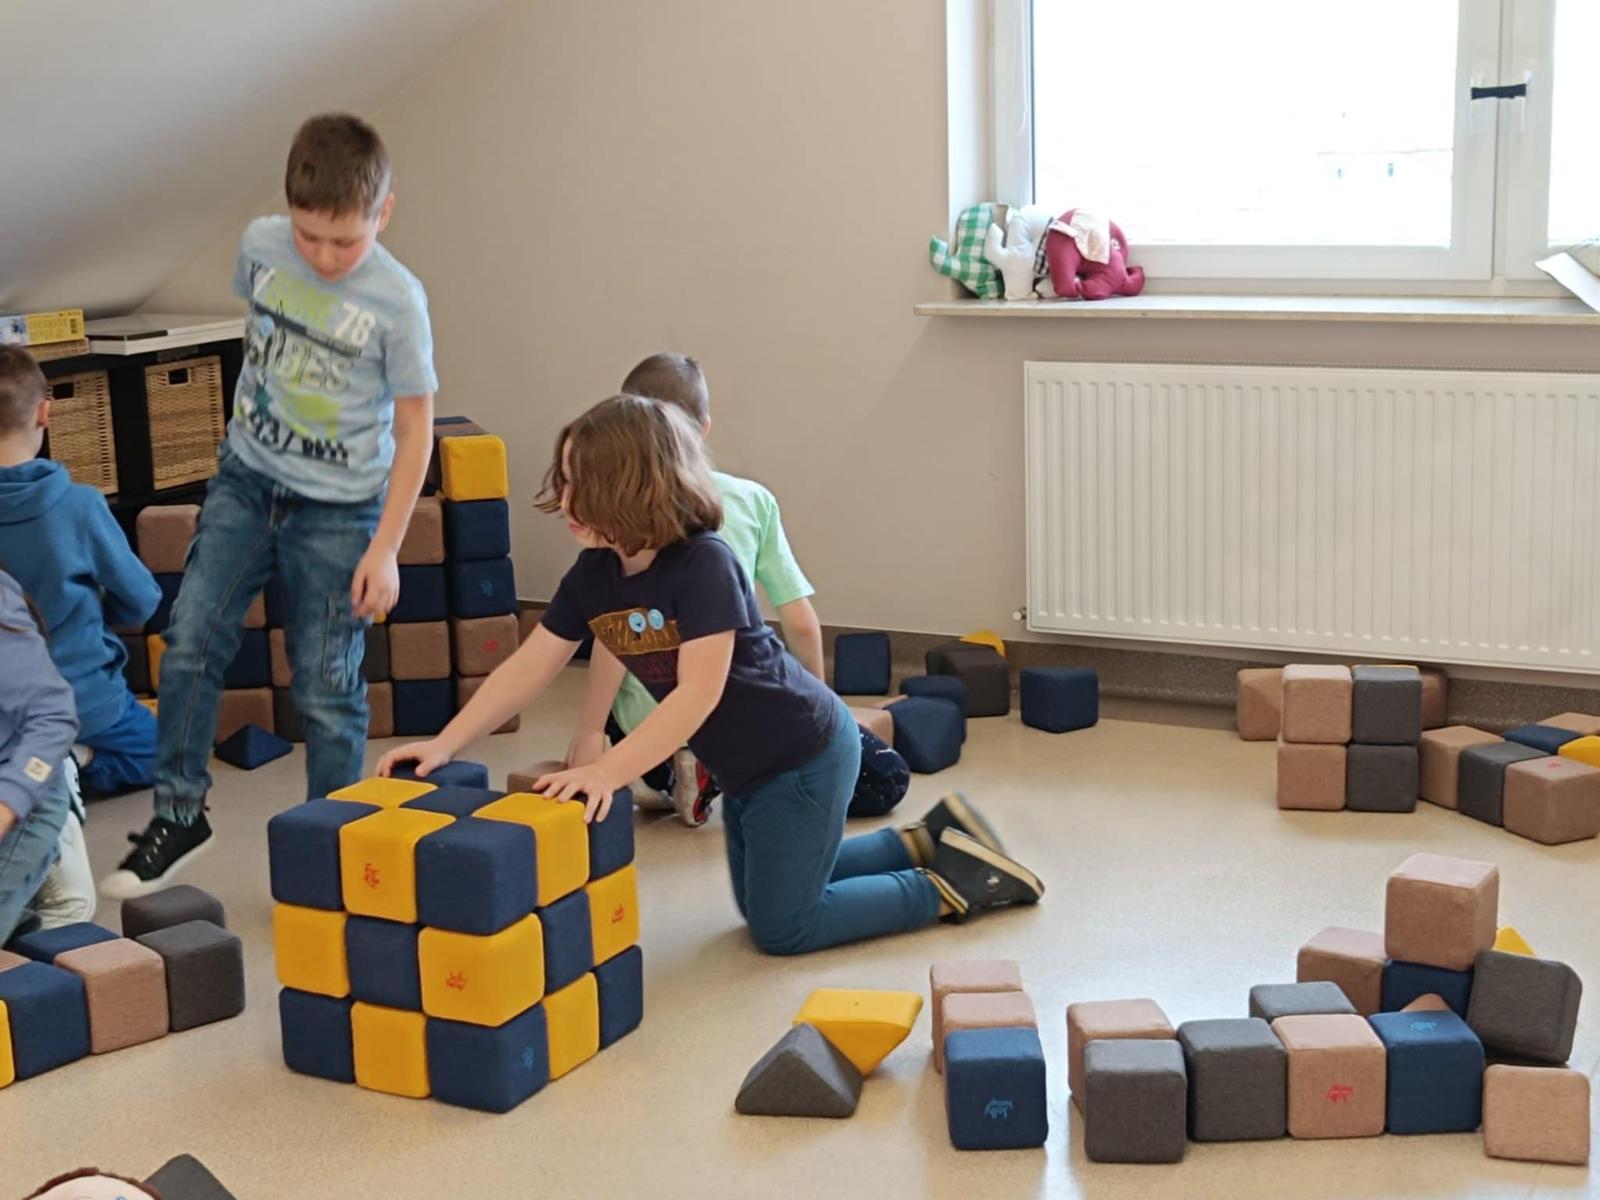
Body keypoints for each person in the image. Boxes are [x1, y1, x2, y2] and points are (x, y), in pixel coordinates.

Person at [378, 395, 1043, 955]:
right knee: (764, 897)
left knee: (784, 927)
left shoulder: (703, 564)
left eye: (585, 483)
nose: (567, 498)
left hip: (803, 755)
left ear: (637, 487)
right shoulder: (593, 576)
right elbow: (530, 665)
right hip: (747, 769)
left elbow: (697, 694)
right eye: (566, 478)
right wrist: (446, 743)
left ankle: (952, 886)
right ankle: (927, 840)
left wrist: (608, 771)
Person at [101, 112, 437, 899]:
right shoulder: (259, 246)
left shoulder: (398, 301)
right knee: (190, 640)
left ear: (383, 213)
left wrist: (385, 548)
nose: (323, 256)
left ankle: (328, 852)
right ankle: (179, 813)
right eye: (309, 236)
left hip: (342, 512)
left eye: (344, 241)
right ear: (288, 213)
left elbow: (415, 428)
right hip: (247, 483)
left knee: (325, 684)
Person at [0, 345, 163, 798]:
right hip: (81, 699)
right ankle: (73, 760)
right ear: (44, 413)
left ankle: (27, 767)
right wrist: (98, 615)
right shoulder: (80, 505)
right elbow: (142, 599)